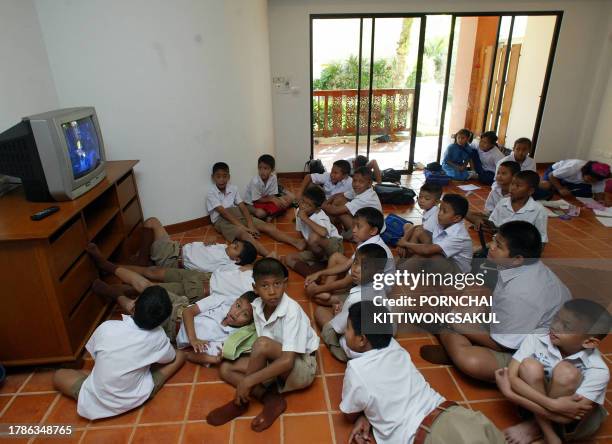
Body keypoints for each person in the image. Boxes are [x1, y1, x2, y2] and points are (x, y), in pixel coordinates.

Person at [421, 221, 571, 382]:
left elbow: (503, 345)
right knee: (462, 308)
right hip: (515, 323)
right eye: (494, 239)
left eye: (498, 246)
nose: (491, 246)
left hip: (529, 350)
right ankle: (452, 337)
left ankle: (446, 335)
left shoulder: (522, 294)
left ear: (517, 258)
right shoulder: (519, 266)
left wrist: (457, 324)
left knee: (470, 360)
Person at [340, 301, 505, 444]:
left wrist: (365, 414)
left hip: (430, 436)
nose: (345, 332)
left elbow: (349, 414)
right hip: (456, 415)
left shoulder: (356, 370)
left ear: (362, 339)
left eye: (347, 328)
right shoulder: (393, 346)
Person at [206, 258, 319, 432]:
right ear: (255, 289)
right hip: (275, 358)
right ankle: (270, 399)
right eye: (265, 286)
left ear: (285, 284)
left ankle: (242, 399)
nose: (272, 291)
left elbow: (287, 360)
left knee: (261, 345)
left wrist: (248, 380)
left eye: (277, 284)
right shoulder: (257, 306)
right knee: (226, 369)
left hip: (301, 365)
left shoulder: (292, 311)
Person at [53, 286, 186, 420]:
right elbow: (170, 358)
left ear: (133, 305)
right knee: (179, 355)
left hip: (95, 400)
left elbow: (97, 357)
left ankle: (105, 381)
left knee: (59, 375)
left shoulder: (107, 327)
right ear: (163, 320)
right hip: (137, 396)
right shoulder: (159, 337)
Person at [496, 299, 611, 444]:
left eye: (566, 326)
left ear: (589, 342)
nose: (555, 326)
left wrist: (510, 394)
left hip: (571, 424)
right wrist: (552, 404)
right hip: (542, 408)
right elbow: (512, 378)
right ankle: (548, 434)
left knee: (566, 371)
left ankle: (535, 427)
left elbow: (567, 417)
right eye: (556, 318)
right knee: (529, 366)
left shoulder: (598, 370)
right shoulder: (538, 337)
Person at [206, 162, 305, 256]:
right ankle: (268, 254)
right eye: (218, 176)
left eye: (224, 176)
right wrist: (243, 227)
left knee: (268, 227)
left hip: (236, 213)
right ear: (213, 177)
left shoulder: (233, 188)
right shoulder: (211, 193)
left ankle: (296, 242)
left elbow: (242, 207)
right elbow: (224, 213)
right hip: (221, 220)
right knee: (245, 235)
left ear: (229, 177)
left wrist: (250, 224)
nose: (222, 179)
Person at [304, 207, 393, 305]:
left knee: (320, 299)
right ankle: (326, 291)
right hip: (364, 278)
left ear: (373, 231)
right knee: (336, 257)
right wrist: (320, 273)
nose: (353, 230)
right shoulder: (366, 241)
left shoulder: (373, 251)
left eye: (358, 227)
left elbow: (345, 282)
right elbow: (346, 264)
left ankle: (327, 293)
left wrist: (317, 289)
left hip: (372, 292)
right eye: (353, 226)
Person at [315, 243, 388, 362]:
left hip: (357, 348)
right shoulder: (380, 289)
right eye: (355, 262)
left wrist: (337, 315)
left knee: (320, 312)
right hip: (376, 343)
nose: (355, 269)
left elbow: (340, 328)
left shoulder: (355, 299)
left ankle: (340, 351)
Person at [397, 193, 473, 274]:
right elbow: (418, 227)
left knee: (426, 255)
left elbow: (427, 250)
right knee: (419, 231)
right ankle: (407, 260)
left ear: (457, 218)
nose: (439, 213)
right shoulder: (442, 219)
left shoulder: (459, 236)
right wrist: (404, 240)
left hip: (456, 269)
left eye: (444, 211)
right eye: (440, 209)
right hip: (439, 252)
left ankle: (404, 268)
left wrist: (405, 244)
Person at [178, 291, 258, 366]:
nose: (236, 313)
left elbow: (191, 354)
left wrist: (215, 359)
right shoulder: (220, 300)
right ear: (235, 301)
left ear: (250, 322)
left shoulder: (231, 337)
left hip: (170, 331)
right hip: (178, 309)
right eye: (238, 306)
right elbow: (187, 312)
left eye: (245, 314)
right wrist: (193, 339)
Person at [284, 185, 344, 277]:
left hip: (334, 246)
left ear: (317, 208)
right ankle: (311, 275)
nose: (303, 206)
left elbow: (323, 233)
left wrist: (305, 219)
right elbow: (301, 232)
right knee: (288, 258)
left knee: (314, 237)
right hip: (317, 252)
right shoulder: (299, 211)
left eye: (309, 205)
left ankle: (322, 264)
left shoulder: (320, 216)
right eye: (303, 201)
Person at [488, 170, 548, 243]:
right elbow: (493, 223)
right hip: (499, 243)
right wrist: (485, 224)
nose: (512, 188)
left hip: (522, 247)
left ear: (530, 191)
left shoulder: (539, 210)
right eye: (512, 184)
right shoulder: (502, 202)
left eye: (518, 186)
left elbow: (542, 239)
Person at [321, 166, 382, 238]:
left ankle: (349, 235)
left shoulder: (365, 197)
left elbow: (335, 211)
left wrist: (321, 205)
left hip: (372, 231)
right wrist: (327, 203)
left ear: (369, 183)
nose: (356, 184)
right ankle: (333, 226)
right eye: (354, 180)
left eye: (361, 181)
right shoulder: (361, 189)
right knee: (339, 200)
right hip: (365, 220)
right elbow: (339, 195)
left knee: (340, 212)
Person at [466, 161, 520, 231]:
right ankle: (489, 228)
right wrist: (484, 216)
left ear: (514, 176)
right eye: (498, 173)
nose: (499, 176)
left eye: (503, 173)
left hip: (509, 223)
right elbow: (489, 210)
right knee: (465, 212)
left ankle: (490, 229)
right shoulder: (495, 190)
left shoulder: (517, 194)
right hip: (493, 219)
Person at [397, 182, 442, 258]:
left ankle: (408, 254)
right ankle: (406, 247)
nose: (422, 201)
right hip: (426, 236)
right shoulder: (428, 210)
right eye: (420, 197)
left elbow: (421, 230)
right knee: (407, 225)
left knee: (416, 232)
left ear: (437, 202)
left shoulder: (434, 215)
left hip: (431, 245)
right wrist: (405, 239)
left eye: (427, 199)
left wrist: (404, 243)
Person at [244, 154, 294, 221]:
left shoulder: (273, 178)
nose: (262, 171)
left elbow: (272, 195)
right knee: (260, 213)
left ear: (272, 170)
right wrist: (273, 200)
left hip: (266, 199)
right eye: (260, 168)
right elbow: (257, 199)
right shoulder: (255, 181)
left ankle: (271, 213)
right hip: (253, 203)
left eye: (265, 168)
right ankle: (272, 213)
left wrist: (277, 200)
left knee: (289, 199)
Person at [540, 159, 610, 202]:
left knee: (587, 194)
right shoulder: (574, 167)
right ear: (584, 171)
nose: (592, 182)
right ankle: (557, 188)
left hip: (570, 180)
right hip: (555, 173)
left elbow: (598, 193)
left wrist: (601, 201)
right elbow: (551, 175)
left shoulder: (600, 177)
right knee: (546, 185)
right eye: (590, 179)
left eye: (595, 181)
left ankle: (558, 188)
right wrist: (560, 188)